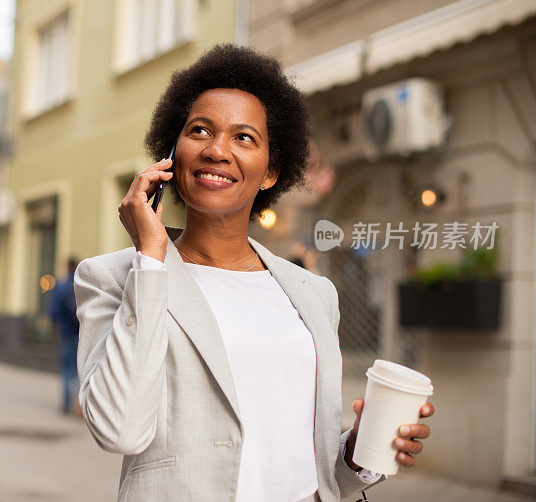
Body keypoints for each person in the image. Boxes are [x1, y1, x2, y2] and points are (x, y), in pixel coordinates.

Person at [73, 44, 435, 502]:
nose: (217, 150)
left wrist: (357, 454)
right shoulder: (113, 277)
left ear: (270, 173)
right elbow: (118, 430)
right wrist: (150, 257)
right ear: (170, 154)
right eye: (199, 130)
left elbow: (310, 463)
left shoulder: (313, 291)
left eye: (244, 137)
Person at [49, 258, 81, 416]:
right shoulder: (81, 284)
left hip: (65, 333)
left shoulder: (61, 286)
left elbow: (53, 311)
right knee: (80, 369)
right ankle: (80, 406)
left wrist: (58, 325)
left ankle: (67, 404)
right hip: (80, 333)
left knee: (67, 369)